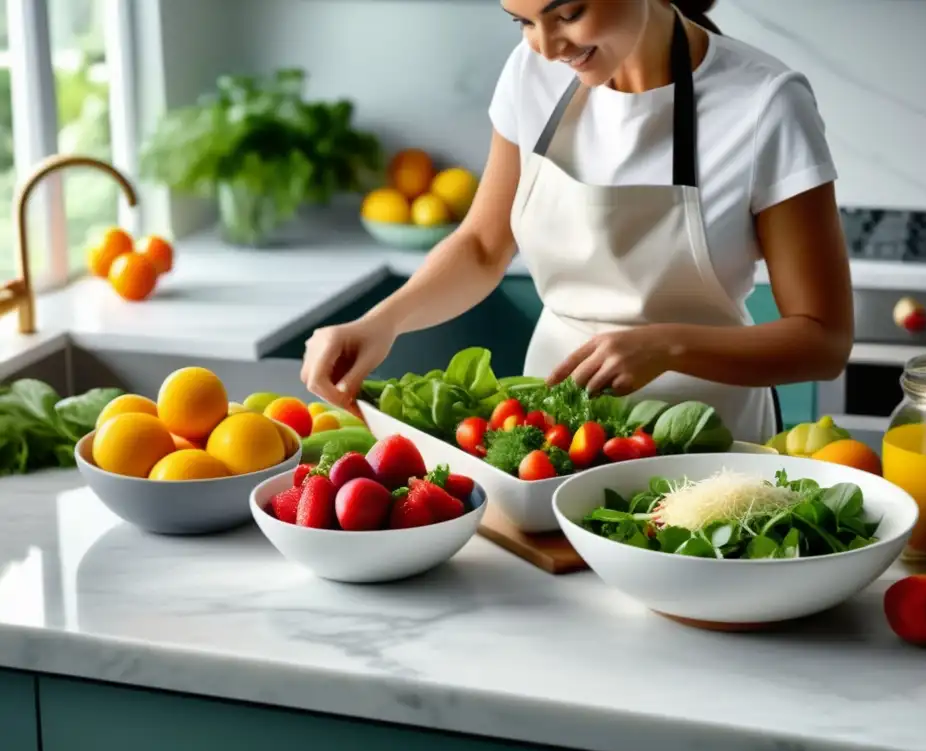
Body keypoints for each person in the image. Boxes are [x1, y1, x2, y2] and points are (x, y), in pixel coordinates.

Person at [301, 0, 853, 444]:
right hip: (549, 434)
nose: (545, 46)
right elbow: (482, 246)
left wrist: (666, 346)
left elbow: (823, 341)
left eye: (567, 14)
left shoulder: (765, 104)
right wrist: (382, 322)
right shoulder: (531, 72)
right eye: (523, 21)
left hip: (707, 448)